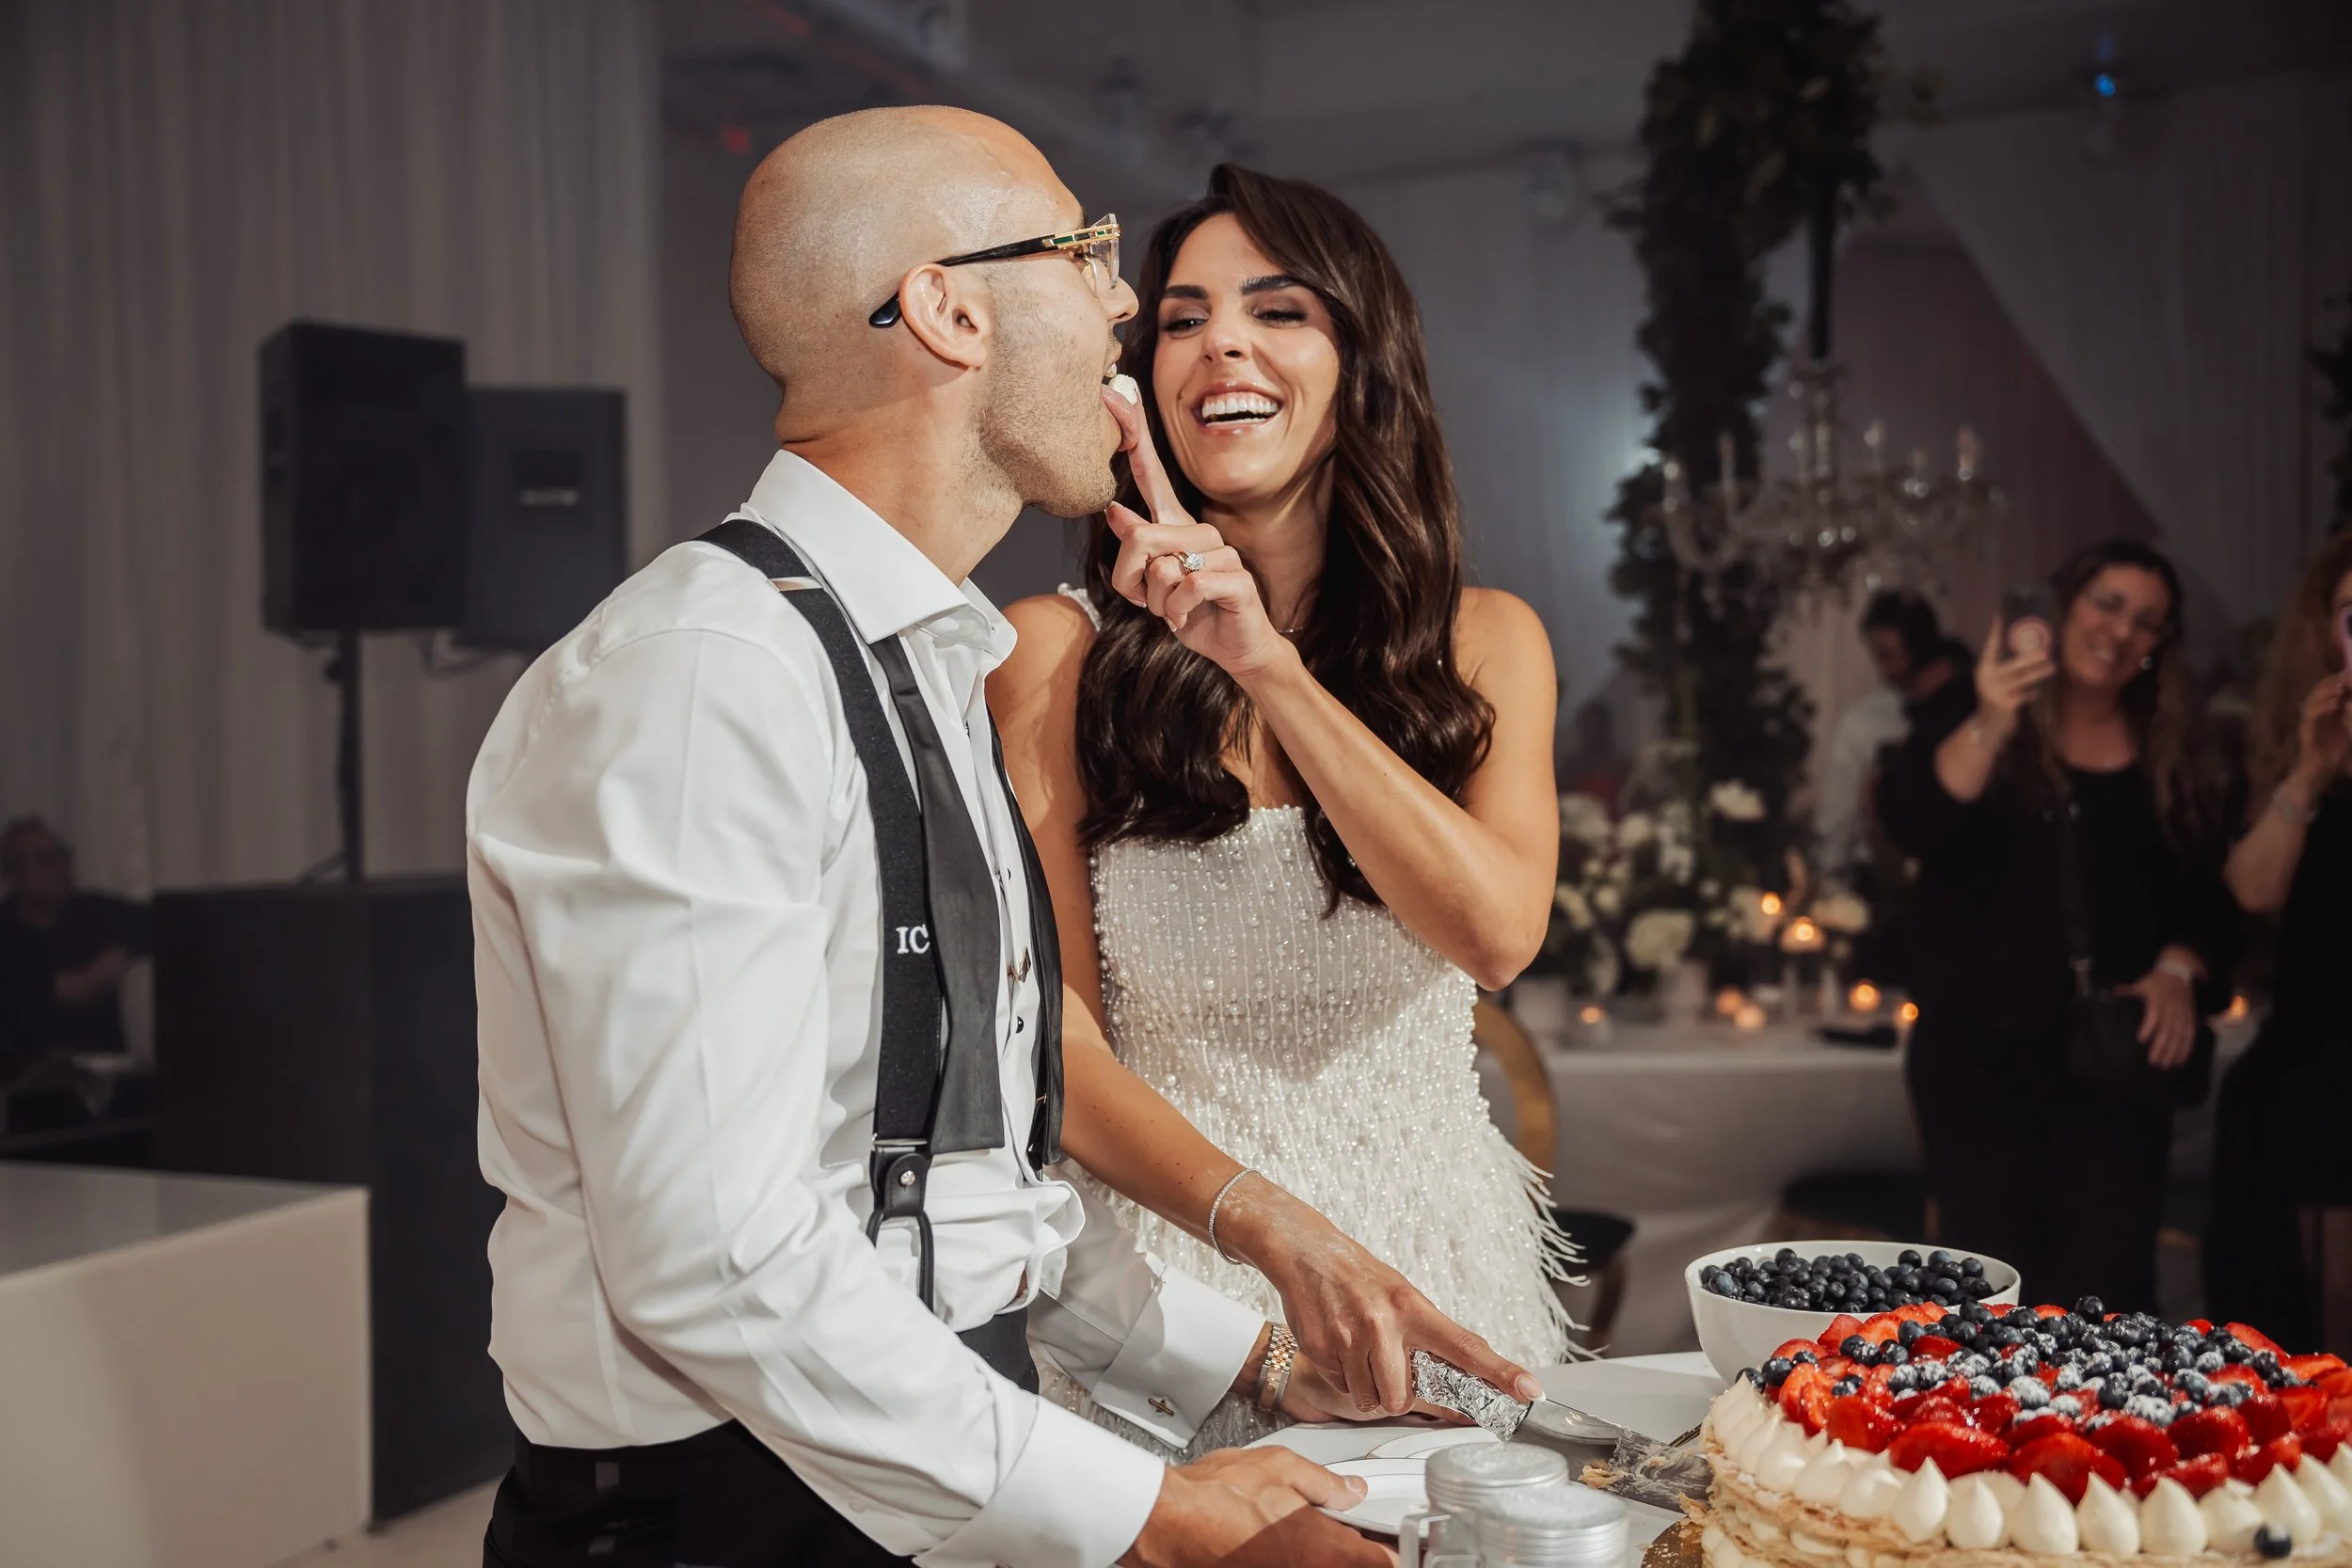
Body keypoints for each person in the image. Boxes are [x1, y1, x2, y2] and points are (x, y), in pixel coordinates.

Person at [466, 108, 1518, 1568]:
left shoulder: (926, 666)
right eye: (1085, 252)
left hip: (933, 1457)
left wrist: (1259, 1368)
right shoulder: (708, 675)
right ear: (954, 311)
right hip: (721, 1514)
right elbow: (718, 1265)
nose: (1126, 306)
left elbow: (965, 1180)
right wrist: (1156, 1516)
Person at [990, 164, 1573, 1459]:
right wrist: (1263, 1226)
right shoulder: (1052, 654)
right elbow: (1055, 1051)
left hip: (1438, 1266)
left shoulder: (1489, 645)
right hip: (1176, 1288)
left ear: (1363, 362)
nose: (1221, 345)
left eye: (1276, 309)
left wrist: (1270, 667)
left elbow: (1496, 935)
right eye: (1182, 317)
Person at [1875, 539, 2236, 1315]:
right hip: (1977, 1067)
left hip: (2114, 1073)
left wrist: (2180, 966)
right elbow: (1915, 823)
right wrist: (1994, 718)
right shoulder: (1970, 708)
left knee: (2104, 1295)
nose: (2120, 631)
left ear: (2160, 645)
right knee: (1982, 1296)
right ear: (2063, 605)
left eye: (2147, 621)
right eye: (2106, 604)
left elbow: (2213, 891)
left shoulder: (2174, 745)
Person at [2205, 531, 2352, 1346]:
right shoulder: (2299, 748)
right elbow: (2251, 891)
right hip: (2310, 1073)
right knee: (2305, 1340)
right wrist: (2309, 772)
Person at [1816, 590, 1968, 878]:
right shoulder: (1862, 723)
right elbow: (1838, 817)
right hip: (1878, 876)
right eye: (1878, 657)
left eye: (1888, 655)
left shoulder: (1963, 714)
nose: (1884, 669)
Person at [0, 816, 150, 1074]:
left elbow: (167, 918)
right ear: (13, 873)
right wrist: (62, 988)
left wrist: (122, 952)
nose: (59, 866)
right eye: (43, 859)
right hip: (21, 1088)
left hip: (107, 1081)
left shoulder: (94, 911)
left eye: (61, 854)